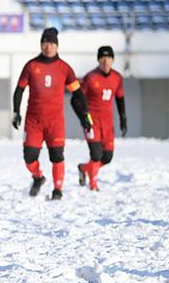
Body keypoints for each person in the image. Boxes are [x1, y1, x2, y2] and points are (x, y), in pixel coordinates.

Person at [12, 27, 92, 200]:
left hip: (55, 123)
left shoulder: (64, 69)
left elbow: (78, 94)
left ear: (57, 46)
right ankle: (38, 177)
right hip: (34, 121)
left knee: (57, 156)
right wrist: (16, 111)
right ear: (41, 44)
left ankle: (57, 189)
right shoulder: (31, 66)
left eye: (51, 43)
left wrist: (86, 114)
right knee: (29, 156)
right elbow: (19, 90)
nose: (48, 47)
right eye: (45, 42)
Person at [77, 46, 127, 191]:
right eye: (103, 58)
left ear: (113, 60)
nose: (106, 62)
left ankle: (84, 168)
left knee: (107, 157)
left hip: (107, 122)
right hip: (92, 122)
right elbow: (78, 98)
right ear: (98, 60)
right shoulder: (90, 78)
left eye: (109, 58)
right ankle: (93, 185)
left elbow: (120, 98)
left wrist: (123, 118)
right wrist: (83, 117)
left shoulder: (117, 78)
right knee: (96, 154)